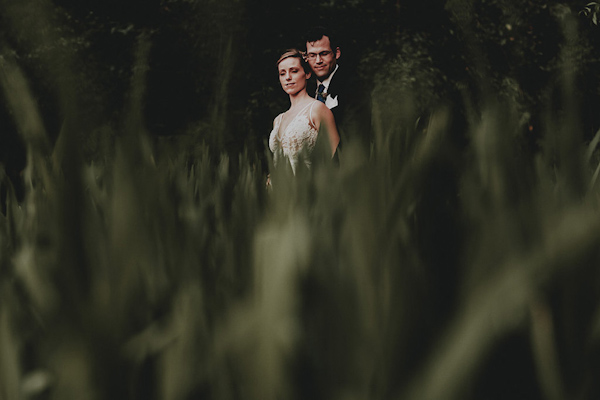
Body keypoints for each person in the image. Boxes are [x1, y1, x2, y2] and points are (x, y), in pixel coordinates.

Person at [269, 49, 340, 174]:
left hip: (305, 187)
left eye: (294, 71)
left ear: (307, 73)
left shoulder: (317, 109)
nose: (288, 78)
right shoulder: (278, 120)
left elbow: (336, 156)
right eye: (282, 73)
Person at [304, 26, 371, 148]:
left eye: (324, 53)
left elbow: (355, 137)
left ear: (337, 53)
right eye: (312, 55)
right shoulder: (305, 89)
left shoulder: (354, 86)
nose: (318, 61)